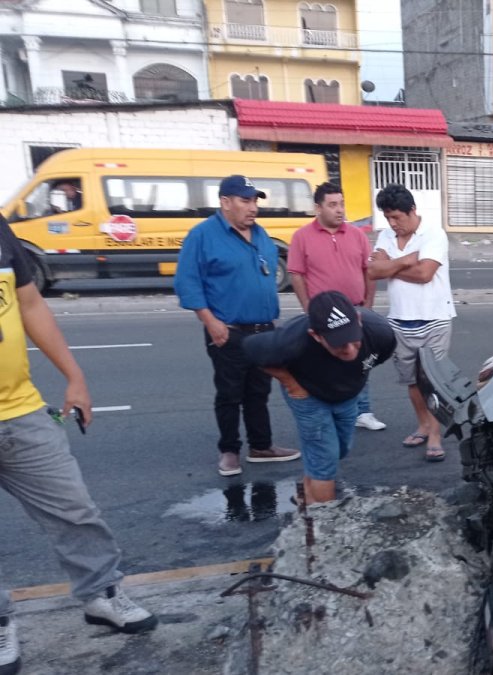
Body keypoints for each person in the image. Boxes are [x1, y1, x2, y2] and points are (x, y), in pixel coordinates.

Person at [0, 214, 157, 675]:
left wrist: (75, 375)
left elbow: (29, 305)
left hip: (21, 411)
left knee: (75, 509)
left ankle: (102, 595)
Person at [175, 175, 299, 477]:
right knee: (230, 393)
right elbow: (187, 283)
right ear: (225, 202)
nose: (253, 207)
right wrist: (211, 322)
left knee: (259, 391)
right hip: (227, 330)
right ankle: (229, 451)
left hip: (263, 329)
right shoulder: (203, 236)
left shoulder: (260, 234)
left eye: (255, 201)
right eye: (245, 201)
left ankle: (261, 446)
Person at [242, 291, 396, 505]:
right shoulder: (290, 340)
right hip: (307, 395)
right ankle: (324, 522)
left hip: (348, 394)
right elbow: (251, 350)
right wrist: (291, 384)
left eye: (353, 339)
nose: (350, 350)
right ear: (316, 335)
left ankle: (305, 494)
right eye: (339, 344)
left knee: (339, 449)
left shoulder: (381, 333)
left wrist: (354, 376)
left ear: (359, 321)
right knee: (324, 456)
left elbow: (375, 359)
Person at [286, 182, 385, 432]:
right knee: (324, 364)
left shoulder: (357, 236)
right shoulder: (302, 237)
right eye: (332, 205)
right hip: (323, 316)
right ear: (318, 208)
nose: (339, 210)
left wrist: (368, 305)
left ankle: (363, 411)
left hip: (355, 310)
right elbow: (297, 274)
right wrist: (308, 308)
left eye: (341, 204)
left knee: (359, 362)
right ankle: (329, 411)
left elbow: (368, 271)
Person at [368, 184, 456, 462]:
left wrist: (391, 266)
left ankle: (434, 434)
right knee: (411, 381)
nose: (393, 224)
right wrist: (406, 259)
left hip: (435, 319)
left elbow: (425, 274)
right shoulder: (386, 235)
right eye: (388, 218)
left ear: (412, 211)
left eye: (397, 218)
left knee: (431, 380)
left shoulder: (433, 234)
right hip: (400, 320)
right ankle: (423, 424)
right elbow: (372, 270)